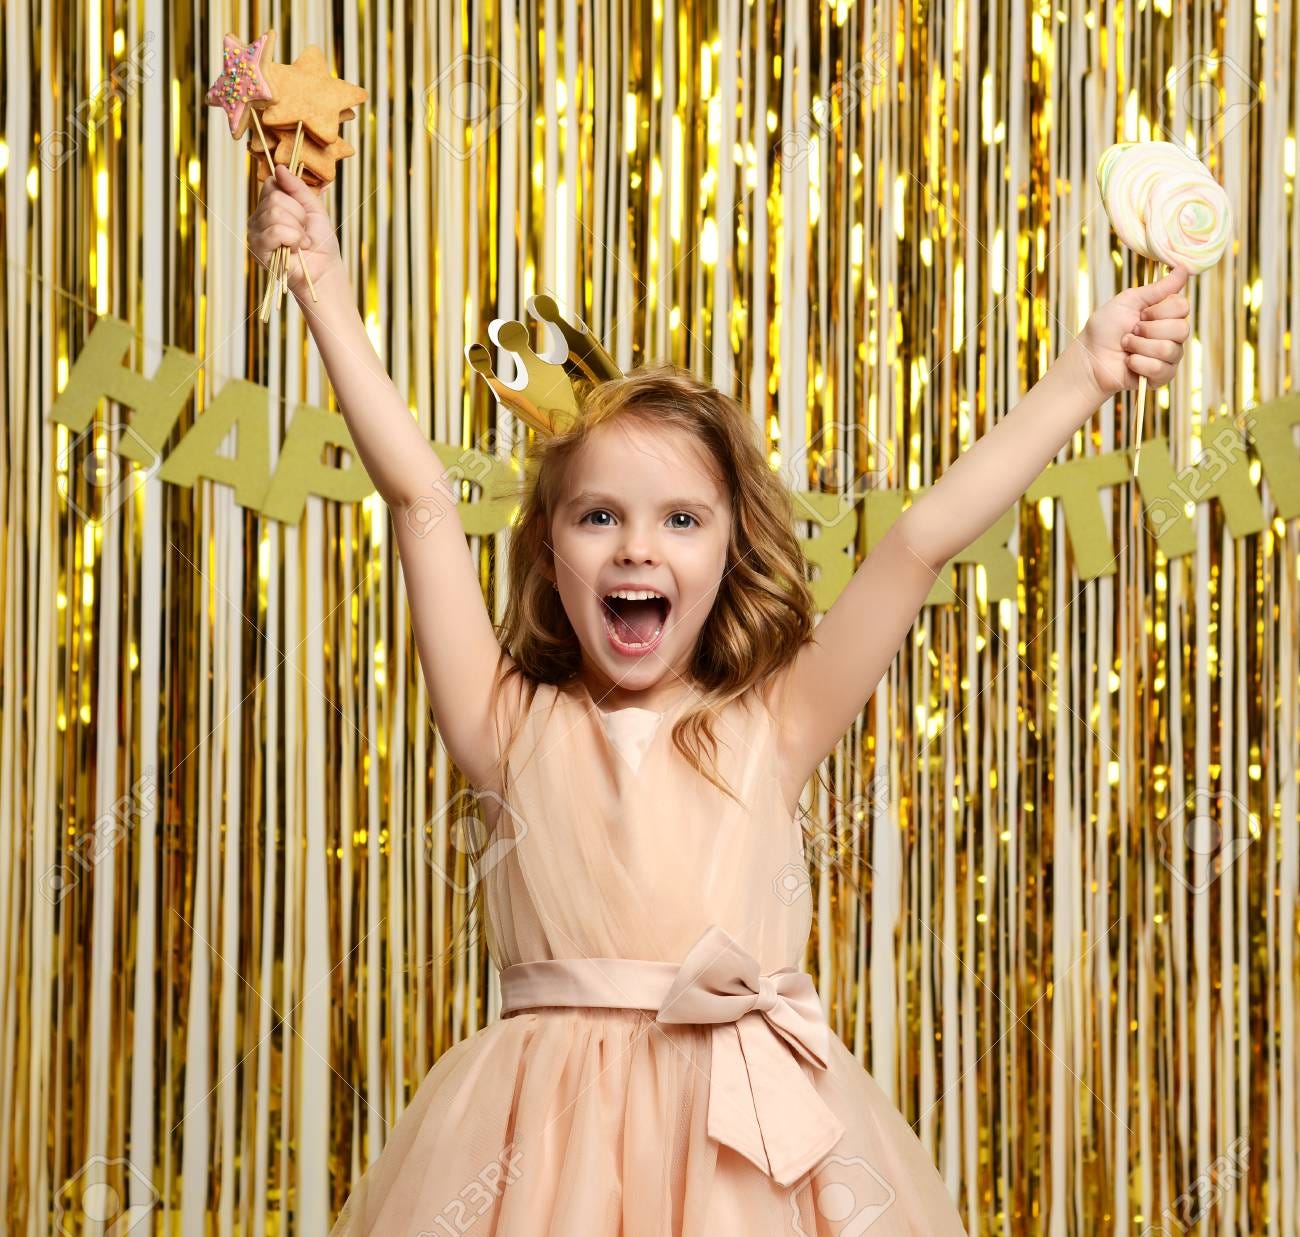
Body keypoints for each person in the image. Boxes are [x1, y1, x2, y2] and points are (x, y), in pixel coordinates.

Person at [248, 162, 1190, 1235]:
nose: (637, 546)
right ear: (547, 549)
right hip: (531, 1161)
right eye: (597, 517)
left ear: (731, 547)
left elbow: (922, 539)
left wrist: (1085, 371)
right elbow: (416, 492)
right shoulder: (504, 725)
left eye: (681, 521)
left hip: (745, 1150)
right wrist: (317, 280)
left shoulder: (776, 721)